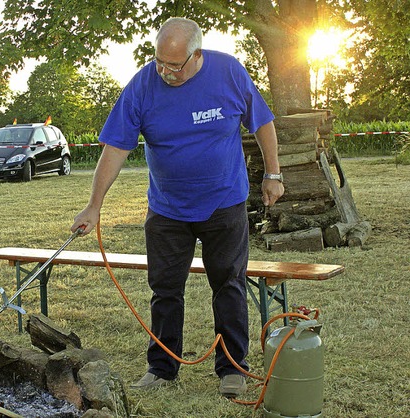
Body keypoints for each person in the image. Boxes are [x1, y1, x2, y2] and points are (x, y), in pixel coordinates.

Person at [70, 17, 284, 397]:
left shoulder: (229, 72)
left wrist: (273, 173)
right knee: (165, 288)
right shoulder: (142, 85)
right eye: (159, 62)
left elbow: (262, 122)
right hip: (168, 209)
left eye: (174, 65)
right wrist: (93, 205)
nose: (165, 72)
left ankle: (233, 368)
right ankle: (162, 367)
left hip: (224, 203)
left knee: (229, 285)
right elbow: (116, 147)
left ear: (197, 55)